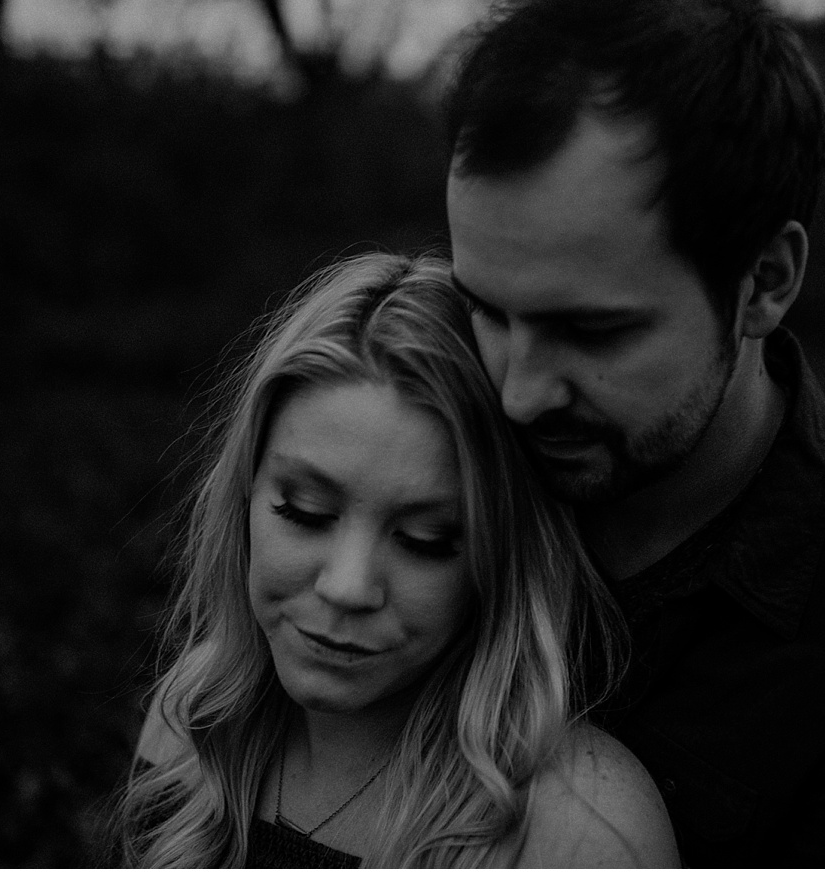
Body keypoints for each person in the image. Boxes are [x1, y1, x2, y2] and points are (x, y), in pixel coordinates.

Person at [445, 0, 825, 866]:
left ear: (765, 282)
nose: (518, 390)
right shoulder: (421, 462)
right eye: (485, 308)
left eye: (591, 330)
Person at [115, 252, 679, 868]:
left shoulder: (579, 827)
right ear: (245, 496)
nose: (348, 588)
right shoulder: (197, 718)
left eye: (425, 540)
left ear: (503, 560)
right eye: (305, 512)